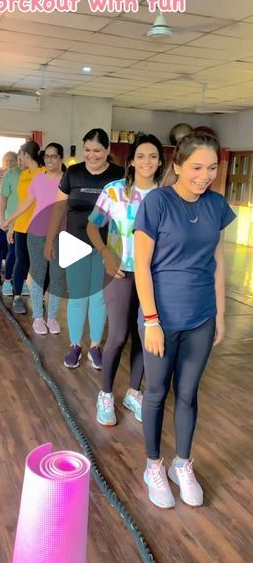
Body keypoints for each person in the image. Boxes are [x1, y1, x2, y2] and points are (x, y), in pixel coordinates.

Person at [133, 133, 235, 509]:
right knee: (157, 393)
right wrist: (152, 320)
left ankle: (181, 464)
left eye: (211, 168)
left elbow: (219, 262)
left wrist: (221, 316)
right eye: (196, 167)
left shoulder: (217, 205)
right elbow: (141, 265)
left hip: (201, 317)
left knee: (189, 394)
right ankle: (153, 466)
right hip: (162, 317)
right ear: (176, 166)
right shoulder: (157, 203)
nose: (204, 176)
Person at [87, 135, 165, 426]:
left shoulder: (165, 195)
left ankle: (134, 392)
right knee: (118, 335)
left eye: (153, 156)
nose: (147, 161)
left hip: (154, 276)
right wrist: (106, 254)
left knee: (144, 338)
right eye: (141, 156)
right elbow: (93, 226)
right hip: (119, 272)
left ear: (160, 162)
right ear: (131, 160)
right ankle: (105, 394)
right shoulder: (114, 190)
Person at [44, 128, 124, 369]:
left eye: (97, 150)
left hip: (106, 245)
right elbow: (58, 208)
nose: (92, 155)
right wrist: (50, 239)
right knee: (78, 297)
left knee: (99, 298)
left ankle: (96, 346)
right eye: (87, 150)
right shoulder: (73, 173)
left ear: (107, 150)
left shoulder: (119, 175)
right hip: (74, 242)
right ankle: (75, 345)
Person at [3, 143, 65, 334]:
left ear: (61, 158)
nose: (50, 159)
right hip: (37, 233)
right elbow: (26, 203)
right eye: (47, 156)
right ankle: (38, 318)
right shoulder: (38, 178)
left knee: (56, 279)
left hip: (60, 235)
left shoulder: (68, 180)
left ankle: (52, 318)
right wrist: (9, 220)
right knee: (38, 277)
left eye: (54, 156)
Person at [5, 141, 45, 314]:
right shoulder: (24, 174)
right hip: (21, 226)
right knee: (21, 261)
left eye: (20, 155)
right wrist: (12, 226)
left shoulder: (44, 173)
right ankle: (17, 297)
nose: (19, 158)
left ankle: (39, 298)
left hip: (38, 227)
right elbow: (22, 202)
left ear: (27, 155)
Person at [0, 151, 17, 285]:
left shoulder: (19, 174)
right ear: (3, 162)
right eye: (7, 161)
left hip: (13, 218)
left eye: (12, 160)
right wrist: (1, 217)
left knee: (11, 247)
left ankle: (10, 273)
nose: (10, 163)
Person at [0, 151, 23, 295]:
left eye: (19, 160)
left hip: (26, 219)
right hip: (12, 219)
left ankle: (21, 281)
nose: (19, 163)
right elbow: (2, 198)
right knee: (13, 251)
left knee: (23, 255)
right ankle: (7, 281)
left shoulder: (32, 174)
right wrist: (2, 219)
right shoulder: (10, 174)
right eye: (18, 160)